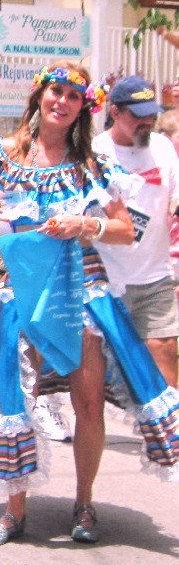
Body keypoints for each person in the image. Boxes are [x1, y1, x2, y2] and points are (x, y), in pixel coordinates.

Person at [0, 62, 179, 546]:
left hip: (83, 289)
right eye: (55, 91)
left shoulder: (92, 166)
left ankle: (84, 504)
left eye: (73, 96)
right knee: (14, 396)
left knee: (87, 403)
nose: (61, 101)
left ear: (84, 107)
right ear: (40, 95)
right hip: (24, 288)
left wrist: (85, 225)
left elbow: (126, 230)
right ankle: (15, 512)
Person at [92, 76, 179, 388]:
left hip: (155, 278)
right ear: (115, 112)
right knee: (99, 374)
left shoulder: (162, 147)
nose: (146, 122)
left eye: (151, 116)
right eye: (137, 115)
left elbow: (175, 199)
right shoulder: (95, 152)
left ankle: (168, 436)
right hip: (105, 279)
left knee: (165, 351)